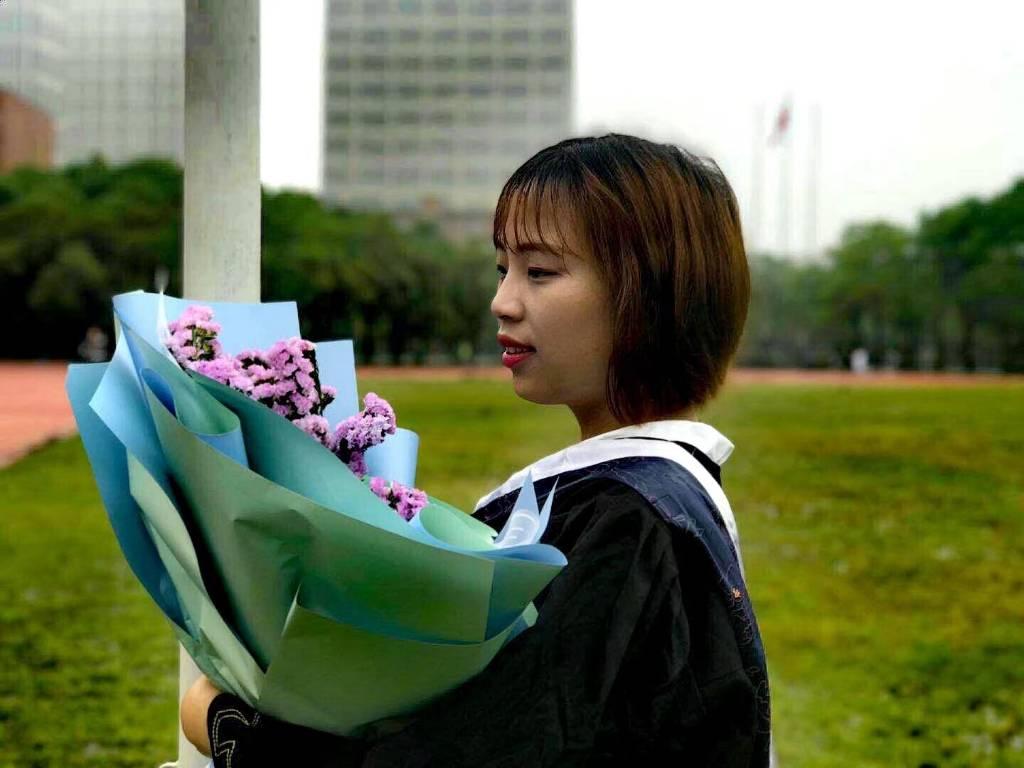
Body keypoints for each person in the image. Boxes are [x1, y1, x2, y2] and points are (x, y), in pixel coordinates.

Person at [181, 134, 772, 767]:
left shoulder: (633, 522)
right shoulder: (638, 501)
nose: (502, 301)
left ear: (649, 292)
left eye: (539, 272)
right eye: (503, 270)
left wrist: (230, 725)